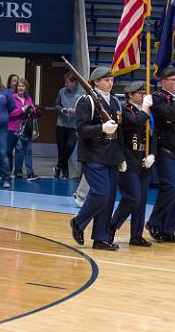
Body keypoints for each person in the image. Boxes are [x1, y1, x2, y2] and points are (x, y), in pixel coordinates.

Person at [69, 66, 126, 251]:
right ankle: (78, 222)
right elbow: (81, 130)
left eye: (111, 79)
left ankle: (100, 238)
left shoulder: (116, 102)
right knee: (100, 192)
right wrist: (101, 128)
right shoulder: (87, 101)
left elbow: (121, 133)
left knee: (108, 198)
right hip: (93, 154)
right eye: (106, 80)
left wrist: (122, 156)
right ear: (95, 82)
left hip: (111, 155)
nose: (110, 83)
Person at [146, 65, 175, 243]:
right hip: (164, 149)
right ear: (163, 81)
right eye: (173, 80)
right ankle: (153, 221)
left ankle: (167, 230)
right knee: (171, 187)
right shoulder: (157, 98)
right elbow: (169, 114)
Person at [110, 81, 156, 247]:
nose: (143, 95)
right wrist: (145, 107)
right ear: (130, 95)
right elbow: (136, 123)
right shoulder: (125, 111)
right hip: (129, 158)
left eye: (144, 92)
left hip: (144, 158)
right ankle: (111, 227)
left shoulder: (146, 112)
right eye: (139, 92)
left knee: (142, 199)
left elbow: (153, 134)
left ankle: (136, 235)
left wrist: (152, 154)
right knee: (133, 197)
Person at [8, 78, 39, 181]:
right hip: (14, 129)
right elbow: (10, 113)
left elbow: (33, 112)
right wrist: (22, 109)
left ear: (26, 88)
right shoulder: (12, 98)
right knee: (15, 150)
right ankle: (16, 171)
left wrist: (33, 109)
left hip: (26, 129)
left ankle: (30, 173)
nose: (21, 88)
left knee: (28, 150)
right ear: (16, 88)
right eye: (19, 86)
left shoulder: (28, 99)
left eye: (23, 86)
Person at [54, 72, 83, 179]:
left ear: (74, 82)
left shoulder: (82, 92)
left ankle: (58, 166)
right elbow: (56, 104)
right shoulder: (61, 91)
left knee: (70, 146)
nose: (65, 85)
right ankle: (65, 173)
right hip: (61, 124)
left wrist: (76, 111)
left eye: (67, 82)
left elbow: (86, 108)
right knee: (61, 148)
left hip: (74, 125)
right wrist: (62, 109)